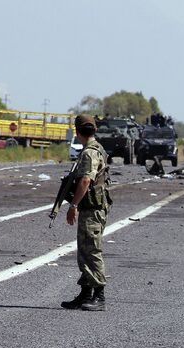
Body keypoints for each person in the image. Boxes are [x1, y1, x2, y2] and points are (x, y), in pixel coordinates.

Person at [61, 115, 112, 312]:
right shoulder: (97, 148)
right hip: (93, 208)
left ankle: (99, 296)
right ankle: (85, 293)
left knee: (91, 251)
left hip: (92, 209)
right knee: (85, 251)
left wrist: (73, 206)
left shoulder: (90, 153)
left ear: (77, 131)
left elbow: (85, 181)